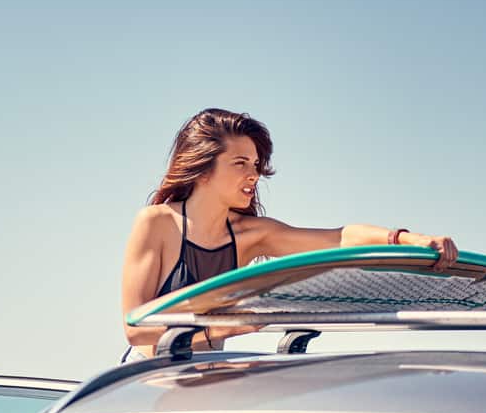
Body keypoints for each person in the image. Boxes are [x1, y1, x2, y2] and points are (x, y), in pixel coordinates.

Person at [121, 108, 458, 362]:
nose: (254, 175)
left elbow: (337, 239)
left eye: (256, 164)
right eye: (241, 163)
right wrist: (228, 326)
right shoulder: (158, 223)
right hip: (149, 388)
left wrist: (406, 239)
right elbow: (135, 329)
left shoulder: (252, 234)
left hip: (209, 384)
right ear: (203, 167)